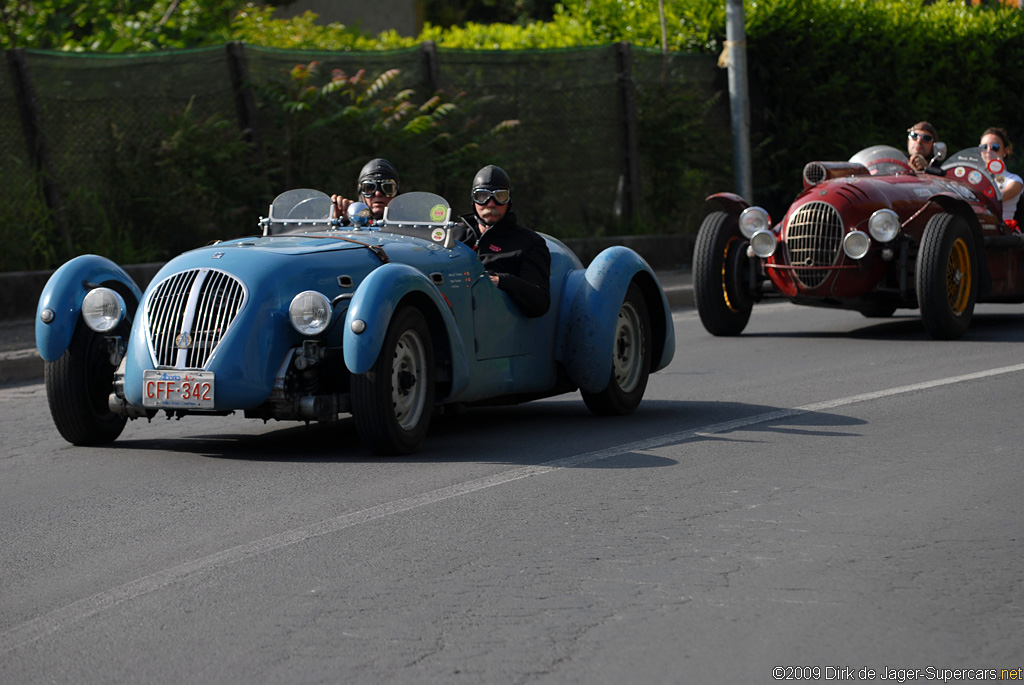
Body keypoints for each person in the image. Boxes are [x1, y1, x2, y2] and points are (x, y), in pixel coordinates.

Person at [452, 165, 551, 318]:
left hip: (493, 321)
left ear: (509, 201)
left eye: (500, 196)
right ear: (473, 200)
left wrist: (502, 281)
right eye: (482, 196)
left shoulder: (528, 242)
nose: (491, 203)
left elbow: (540, 302)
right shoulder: (452, 235)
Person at [979, 126, 1023, 229]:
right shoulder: (973, 176)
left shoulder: (1014, 180)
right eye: (984, 147)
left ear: (1006, 151)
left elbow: (997, 198)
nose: (989, 151)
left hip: (1001, 234)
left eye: (995, 147)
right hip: (975, 229)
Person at [332, 158, 400, 222]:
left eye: (387, 188)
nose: (378, 193)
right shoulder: (350, 225)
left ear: (396, 192)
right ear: (361, 192)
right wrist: (337, 221)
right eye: (370, 188)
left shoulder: (406, 224)